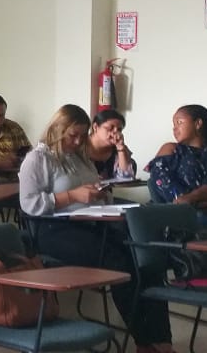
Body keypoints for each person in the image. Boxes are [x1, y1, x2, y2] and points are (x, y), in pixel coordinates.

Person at [20, 104, 172, 353]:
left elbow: (97, 188)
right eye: (73, 135)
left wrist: (100, 195)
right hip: (54, 230)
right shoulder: (38, 159)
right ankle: (144, 342)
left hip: (92, 224)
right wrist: (71, 196)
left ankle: (162, 341)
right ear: (57, 130)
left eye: (82, 136)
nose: (78, 141)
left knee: (146, 259)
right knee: (121, 264)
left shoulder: (80, 157)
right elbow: (29, 204)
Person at [146, 104, 207, 206]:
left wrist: (194, 198)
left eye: (179, 122)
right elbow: (161, 179)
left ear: (198, 123)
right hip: (175, 210)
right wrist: (186, 200)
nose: (174, 128)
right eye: (174, 124)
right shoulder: (171, 149)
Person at [87, 109, 136, 181]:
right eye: (110, 128)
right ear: (95, 127)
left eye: (119, 130)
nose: (115, 132)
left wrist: (120, 148)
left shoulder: (119, 150)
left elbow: (127, 179)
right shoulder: (80, 146)